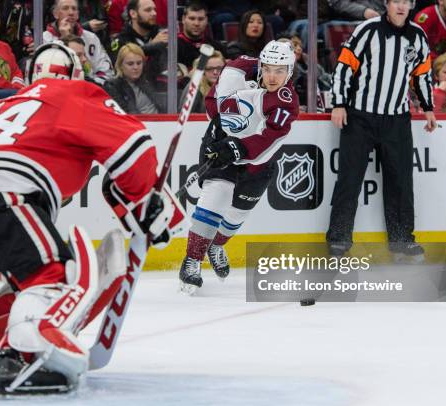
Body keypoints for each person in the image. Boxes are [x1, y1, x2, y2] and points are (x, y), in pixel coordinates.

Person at [0, 42, 182, 394]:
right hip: (0, 195)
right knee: (59, 276)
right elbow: (134, 144)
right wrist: (146, 202)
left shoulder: (9, 102)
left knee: (31, 277)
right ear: (74, 74)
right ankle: (30, 357)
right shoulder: (76, 92)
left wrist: (136, 205)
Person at [178, 40, 299, 293]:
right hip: (221, 144)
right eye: (267, 69)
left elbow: (270, 137)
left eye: (279, 70)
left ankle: (217, 245)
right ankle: (192, 260)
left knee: (237, 212)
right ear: (260, 65)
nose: (272, 76)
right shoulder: (237, 71)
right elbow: (214, 100)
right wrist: (223, 132)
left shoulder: (286, 101)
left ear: (289, 70)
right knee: (215, 197)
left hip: (258, 160)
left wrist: (239, 148)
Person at [327, 0, 438, 260]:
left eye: (405, 1)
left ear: (411, 5)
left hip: (397, 119)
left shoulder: (417, 35)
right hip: (360, 116)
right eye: (395, 1)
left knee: (400, 182)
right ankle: (339, 241)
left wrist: (428, 107)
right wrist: (339, 103)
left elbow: (422, 74)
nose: (400, 6)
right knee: (349, 179)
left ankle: (402, 241)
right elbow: (344, 66)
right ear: (387, 4)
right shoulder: (367, 30)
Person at [43, 0, 114, 85]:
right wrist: (65, 37)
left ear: (78, 14)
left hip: (90, 89)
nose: (71, 12)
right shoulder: (44, 39)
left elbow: (106, 72)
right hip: (57, 89)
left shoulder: (91, 38)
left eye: (74, 9)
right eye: (65, 8)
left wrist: (90, 86)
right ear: (55, 14)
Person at [109, 0, 168, 88]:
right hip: (132, 91)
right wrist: (152, 46)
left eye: (154, 9)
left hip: (162, 89)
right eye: (148, 10)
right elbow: (121, 65)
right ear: (133, 14)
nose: (154, 13)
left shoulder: (161, 34)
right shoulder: (121, 40)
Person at [103, 43, 164, 113]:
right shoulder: (112, 86)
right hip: (139, 122)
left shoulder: (147, 80)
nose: (136, 67)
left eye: (139, 63)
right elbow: (125, 114)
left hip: (161, 121)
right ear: (120, 65)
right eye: (130, 64)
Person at [177, 2, 227, 71]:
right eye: (192, 18)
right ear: (183, 19)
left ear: (206, 20)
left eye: (201, 19)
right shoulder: (173, 47)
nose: (196, 23)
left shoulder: (217, 47)